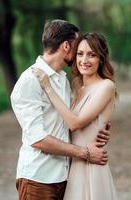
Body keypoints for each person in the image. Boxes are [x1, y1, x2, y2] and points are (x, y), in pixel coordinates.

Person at [11, 20, 110, 200]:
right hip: (38, 179)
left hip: (64, 177)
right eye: (77, 47)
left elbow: (67, 123)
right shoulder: (30, 80)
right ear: (66, 45)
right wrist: (84, 152)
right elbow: (37, 139)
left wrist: (96, 131)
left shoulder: (63, 80)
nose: (80, 55)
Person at [33, 32, 117, 200]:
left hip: (91, 167)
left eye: (91, 55)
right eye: (80, 53)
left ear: (101, 58)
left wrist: (48, 87)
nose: (84, 60)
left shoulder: (106, 86)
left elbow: (74, 123)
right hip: (73, 167)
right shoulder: (77, 89)